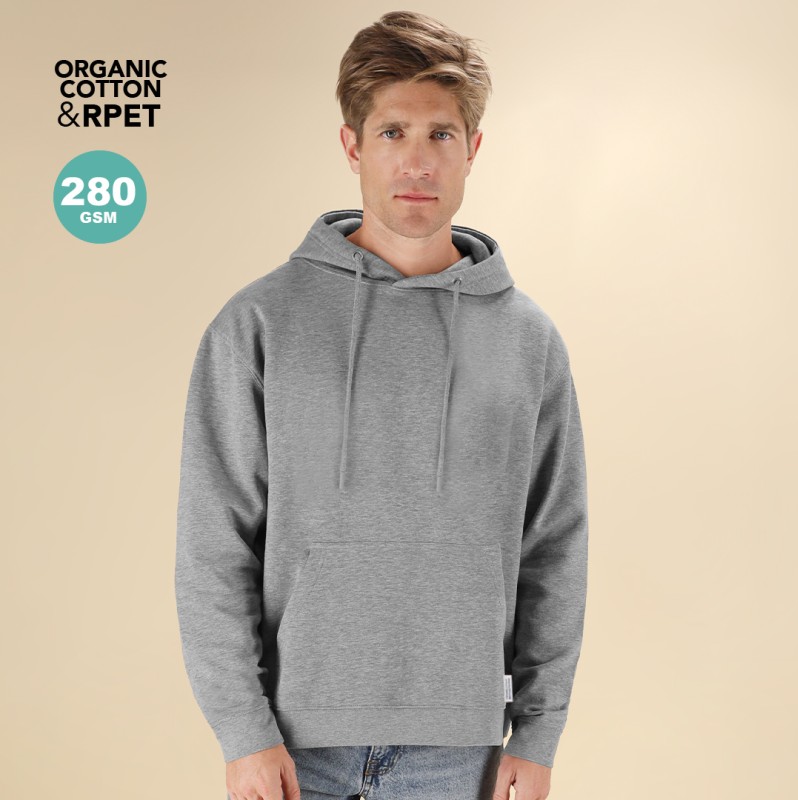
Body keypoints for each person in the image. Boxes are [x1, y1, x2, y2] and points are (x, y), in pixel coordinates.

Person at [175, 10, 589, 800]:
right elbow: (212, 542)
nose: (417, 161)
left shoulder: (528, 340)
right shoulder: (260, 322)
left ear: (473, 148)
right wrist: (242, 729)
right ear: (352, 145)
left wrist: (539, 731)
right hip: (292, 746)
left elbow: (554, 549)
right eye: (393, 131)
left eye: (440, 134)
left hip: (461, 752)